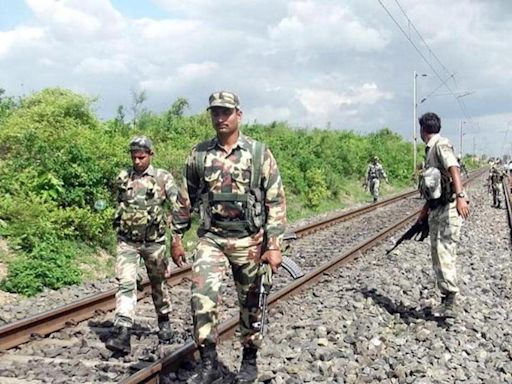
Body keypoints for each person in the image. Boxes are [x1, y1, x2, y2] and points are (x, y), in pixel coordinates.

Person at [171, 91, 286, 384]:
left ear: (238, 114)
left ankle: (250, 359)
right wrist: (177, 236)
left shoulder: (259, 153)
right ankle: (208, 362)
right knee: (202, 298)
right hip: (212, 239)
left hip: (249, 241)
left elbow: (275, 201)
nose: (220, 118)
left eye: (226, 112)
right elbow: (187, 198)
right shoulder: (199, 155)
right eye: (215, 113)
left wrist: (273, 245)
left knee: (251, 304)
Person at [106, 136, 178, 354]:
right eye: (134, 157)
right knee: (126, 284)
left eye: (141, 157)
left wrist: (176, 235)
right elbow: (118, 204)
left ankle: (164, 320)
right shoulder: (123, 177)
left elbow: (178, 206)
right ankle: (123, 331)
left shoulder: (163, 178)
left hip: (154, 243)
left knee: (159, 284)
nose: (137, 161)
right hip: (127, 242)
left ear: (150, 155)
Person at [416, 112, 470, 318]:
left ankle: (449, 302)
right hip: (437, 207)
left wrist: (460, 196)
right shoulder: (430, 149)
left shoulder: (440, 145)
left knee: (444, 251)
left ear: (423, 130)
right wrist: (424, 211)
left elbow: (453, 168)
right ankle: (446, 299)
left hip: (448, 208)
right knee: (437, 252)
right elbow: (434, 186)